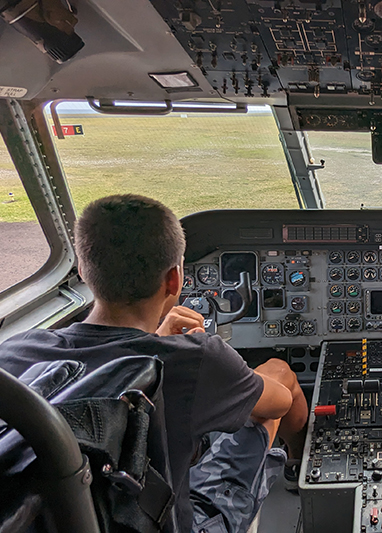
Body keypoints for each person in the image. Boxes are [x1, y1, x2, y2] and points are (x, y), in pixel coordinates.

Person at [0, 194, 308, 533]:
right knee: (278, 377)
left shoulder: (13, 354)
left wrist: (160, 340)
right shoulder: (194, 358)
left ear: (84, 270)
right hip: (171, 521)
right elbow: (279, 402)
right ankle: (295, 467)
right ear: (174, 280)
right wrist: (218, 366)